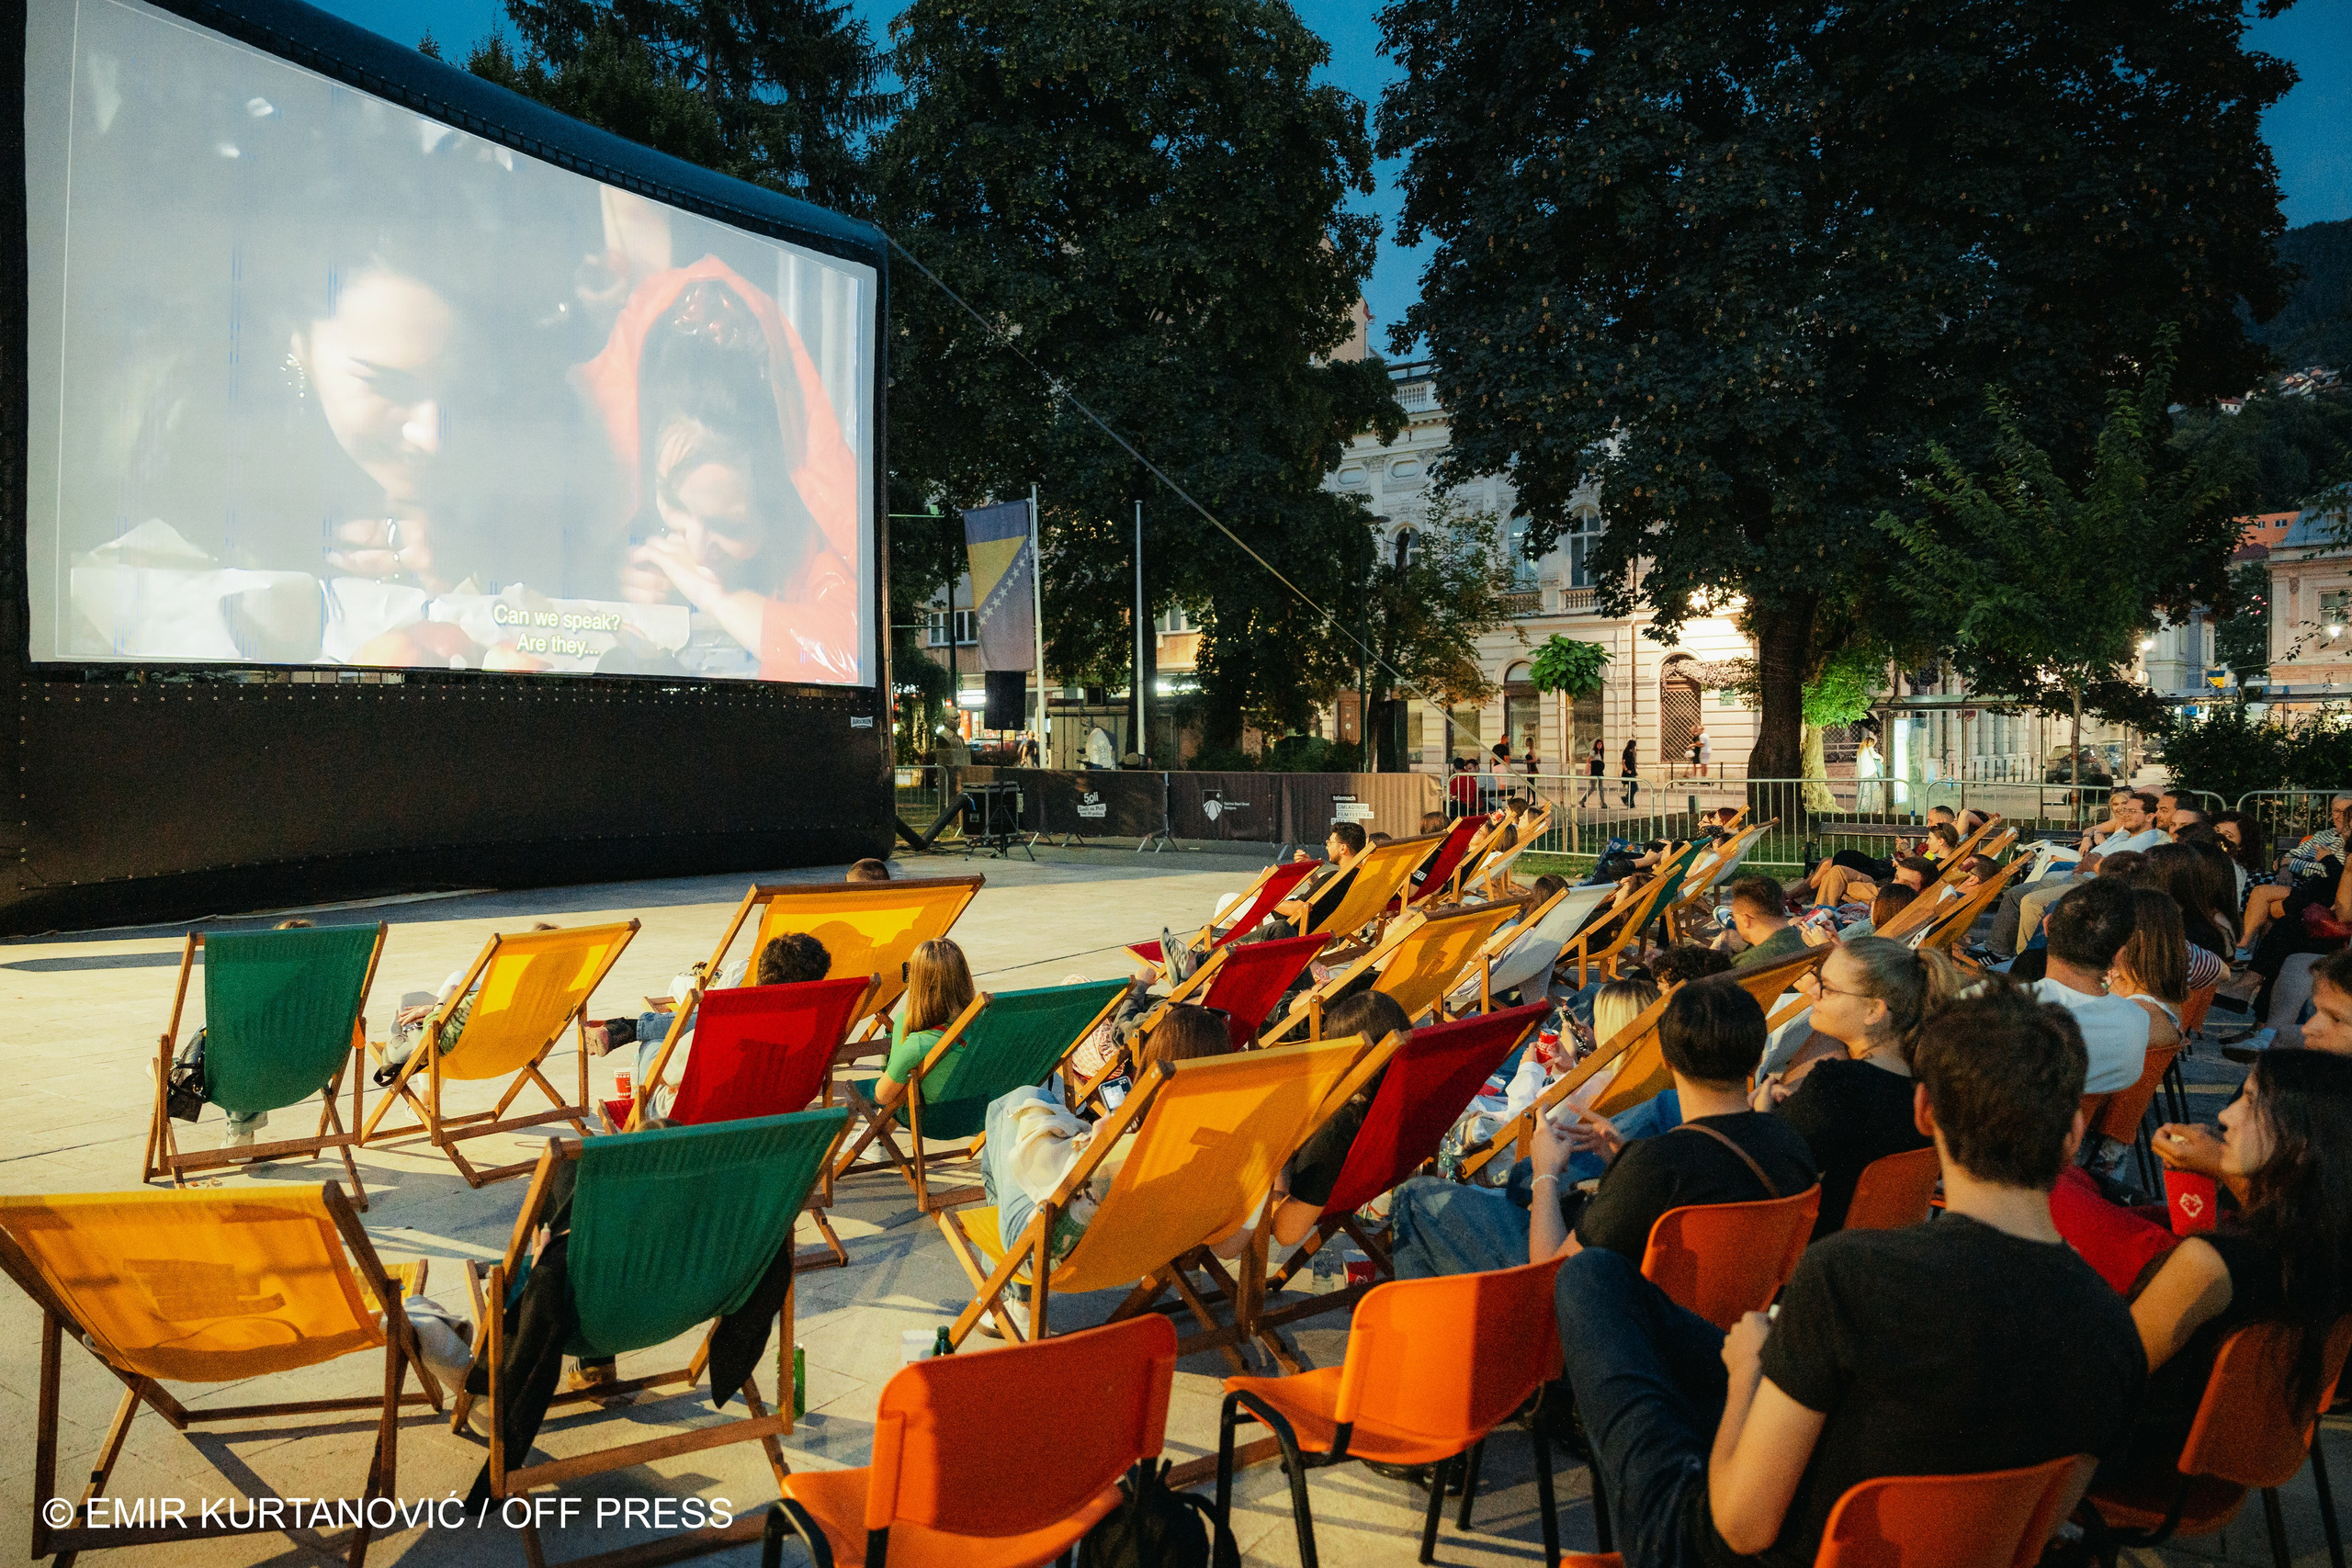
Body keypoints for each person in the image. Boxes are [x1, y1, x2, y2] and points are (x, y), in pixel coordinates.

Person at [1555, 984, 2143, 1566]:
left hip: (1728, 1547)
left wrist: (1743, 1382)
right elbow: (2031, 1531)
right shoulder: (2116, 1331)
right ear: (2072, 1133)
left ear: (1924, 1111)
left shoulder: (1852, 1275)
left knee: (1593, 1278)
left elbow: (1740, 1528)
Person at [1388, 978, 1817, 1281]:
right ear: (1756, 1053)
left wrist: (1545, 1174)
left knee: (1414, 1198)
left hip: (1604, 1308)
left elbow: (1551, 1271)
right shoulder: (1790, 1141)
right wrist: (1621, 1160)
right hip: (1697, 1311)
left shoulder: (1657, 1164)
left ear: (1665, 1061)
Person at [2070, 1050, 2352, 1494]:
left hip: (2133, 1462)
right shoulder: (2323, 1252)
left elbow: (2100, 1382)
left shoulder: (2210, 1264)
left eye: (2252, 1101)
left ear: (2303, 1141)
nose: (2225, 1114)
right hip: (2214, 1454)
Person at [978, 1003, 1238, 1335]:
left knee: (1011, 1107)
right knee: (1033, 1108)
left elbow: (1053, 1211)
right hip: (1150, 1247)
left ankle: (1016, 1297)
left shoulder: (1136, 1143)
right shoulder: (1231, 1141)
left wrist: (1098, 1146)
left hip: (1045, 1253)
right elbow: (1230, 1244)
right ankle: (1012, 1298)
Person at [1751, 938, 1958, 1235]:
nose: (1813, 993)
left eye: (1829, 988)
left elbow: (1762, 1169)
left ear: (1874, 1010)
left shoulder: (1836, 1087)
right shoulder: (1928, 1090)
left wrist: (1763, 1116)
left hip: (1809, 1258)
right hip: (1876, 1253)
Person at [1267, 993, 1414, 1247]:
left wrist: (1276, 1161)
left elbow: (1285, 1232)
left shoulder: (1339, 1129)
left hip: (1320, 1194)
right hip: (1379, 1176)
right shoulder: (1411, 1090)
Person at [378, 920, 563, 1086]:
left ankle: (425, 1106)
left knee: (447, 991)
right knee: (460, 977)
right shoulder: (560, 1000)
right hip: (516, 1052)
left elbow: (436, 1043)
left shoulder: (489, 999)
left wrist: (439, 1008)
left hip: (474, 1058)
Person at [2027, 879, 2150, 1095]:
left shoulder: (1985, 1007)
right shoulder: (2136, 1021)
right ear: (2121, 955)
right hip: (2086, 1127)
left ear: (2046, 926)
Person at [874, 939, 977, 1113]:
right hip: (979, 1112)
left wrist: (901, 1027)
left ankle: (872, 1134)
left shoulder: (919, 1044)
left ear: (918, 985)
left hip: (937, 1121)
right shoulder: (983, 1025)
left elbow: (882, 1096)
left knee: (869, 1093)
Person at [1716, 875, 1810, 971]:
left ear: (1745, 920)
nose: (1733, 920)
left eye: (1733, 915)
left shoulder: (1748, 963)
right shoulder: (1804, 942)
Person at [1578, 739, 1608, 807]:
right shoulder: (1593, 752)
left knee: (1601, 788)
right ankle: (1582, 800)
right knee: (1592, 787)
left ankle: (1603, 803)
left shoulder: (1600, 753)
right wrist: (1594, 765)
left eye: (1601, 744)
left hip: (1600, 772)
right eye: (1598, 744)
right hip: (1594, 772)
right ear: (1596, 745)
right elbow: (1588, 760)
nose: (1599, 745)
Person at [1622, 737, 1641, 807]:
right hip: (1628, 772)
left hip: (1632, 771)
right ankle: (1627, 799)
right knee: (1635, 787)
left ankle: (1631, 803)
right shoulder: (1626, 751)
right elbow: (1623, 762)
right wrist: (1626, 770)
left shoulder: (1632, 752)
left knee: (1631, 788)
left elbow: (1633, 762)